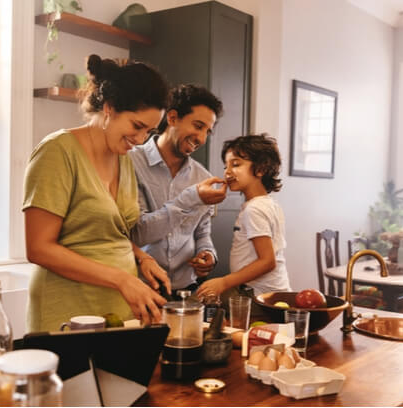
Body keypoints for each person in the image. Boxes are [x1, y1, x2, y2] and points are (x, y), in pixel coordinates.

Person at [23, 55, 172, 331]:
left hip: (118, 310)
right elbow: (38, 248)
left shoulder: (124, 158)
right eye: (137, 126)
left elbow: (105, 231)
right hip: (67, 311)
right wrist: (123, 280)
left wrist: (142, 257)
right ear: (110, 107)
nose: (140, 140)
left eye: (149, 132)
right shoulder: (57, 151)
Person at [130, 84, 227, 297]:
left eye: (207, 131)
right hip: (141, 288)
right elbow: (137, 234)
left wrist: (207, 253)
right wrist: (190, 198)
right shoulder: (130, 163)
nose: (201, 139)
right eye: (198, 126)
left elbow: (202, 232)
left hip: (186, 291)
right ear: (172, 118)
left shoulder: (202, 177)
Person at [196, 134, 291, 301]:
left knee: (199, 304)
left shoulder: (254, 209)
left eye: (236, 164)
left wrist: (224, 282)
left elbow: (267, 261)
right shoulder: (267, 204)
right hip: (269, 293)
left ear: (261, 169)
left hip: (259, 296)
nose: (228, 172)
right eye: (225, 166)